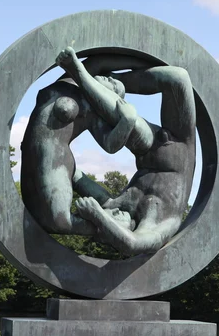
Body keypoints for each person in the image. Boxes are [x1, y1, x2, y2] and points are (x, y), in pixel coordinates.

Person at [55, 47, 196, 256]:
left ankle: (86, 75)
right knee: (178, 78)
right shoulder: (159, 223)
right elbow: (132, 245)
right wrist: (97, 216)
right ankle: (111, 80)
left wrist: (57, 155)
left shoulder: (116, 205)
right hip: (178, 147)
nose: (111, 212)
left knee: (126, 119)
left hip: (148, 151)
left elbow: (76, 176)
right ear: (122, 227)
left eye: (108, 213)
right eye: (111, 216)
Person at [20, 54, 148, 236]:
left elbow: (111, 145)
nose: (110, 77)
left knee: (60, 221)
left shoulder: (92, 113)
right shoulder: (73, 78)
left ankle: (112, 225)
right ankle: (108, 218)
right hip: (30, 157)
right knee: (38, 213)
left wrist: (127, 120)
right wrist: (141, 61)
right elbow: (100, 61)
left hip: (55, 162)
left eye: (114, 85)